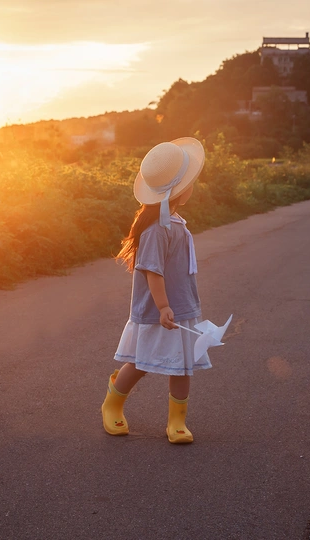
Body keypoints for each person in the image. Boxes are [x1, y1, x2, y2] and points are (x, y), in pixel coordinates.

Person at [101, 137, 208, 444]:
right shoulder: (156, 229)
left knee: (182, 364)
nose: (193, 187)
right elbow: (152, 271)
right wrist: (162, 306)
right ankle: (112, 402)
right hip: (158, 310)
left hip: (181, 307)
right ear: (179, 189)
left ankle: (177, 421)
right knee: (141, 361)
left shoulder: (174, 222)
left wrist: (181, 304)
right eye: (190, 182)